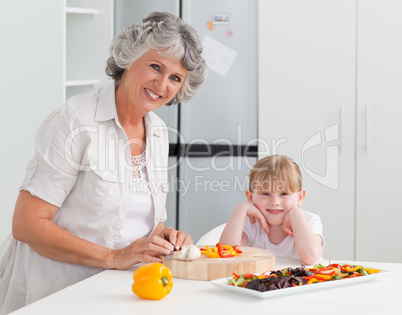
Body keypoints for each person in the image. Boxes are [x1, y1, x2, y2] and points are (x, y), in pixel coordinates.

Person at [0, 12, 207, 314]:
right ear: (129, 59)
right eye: (155, 66)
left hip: (118, 293)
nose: (162, 84)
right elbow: (27, 225)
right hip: (54, 295)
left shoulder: (159, 131)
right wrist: (114, 256)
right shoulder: (75, 120)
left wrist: (161, 236)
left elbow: (139, 217)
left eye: (175, 77)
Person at [219, 155, 324, 265]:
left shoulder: (310, 220)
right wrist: (242, 208)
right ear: (250, 197)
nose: (275, 202)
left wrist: (295, 213)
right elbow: (226, 255)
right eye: (266, 194)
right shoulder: (251, 223)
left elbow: (310, 257)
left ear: (300, 197)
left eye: (284, 194)